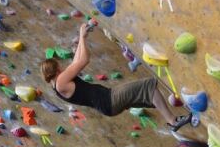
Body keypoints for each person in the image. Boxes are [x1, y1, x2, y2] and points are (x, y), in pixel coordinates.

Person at [41, 24, 192, 131]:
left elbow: (75, 62)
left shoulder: (57, 85)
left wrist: (82, 37)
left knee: (149, 94)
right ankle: (172, 121)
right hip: (109, 100)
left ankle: (182, 115)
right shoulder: (61, 82)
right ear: (56, 70)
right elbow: (83, 60)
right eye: (60, 67)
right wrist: (81, 37)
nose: (63, 68)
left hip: (108, 100)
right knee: (148, 86)